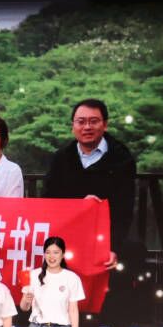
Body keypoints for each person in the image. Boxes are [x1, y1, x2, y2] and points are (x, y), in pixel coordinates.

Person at [42, 99, 134, 270]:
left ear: (105, 125)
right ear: (73, 126)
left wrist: (113, 247)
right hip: (67, 236)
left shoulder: (121, 158)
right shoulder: (61, 158)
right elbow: (48, 201)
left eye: (93, 121)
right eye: (81, 122)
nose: (87, 127)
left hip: (105, 238)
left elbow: (124, 209)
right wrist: (80, 206)